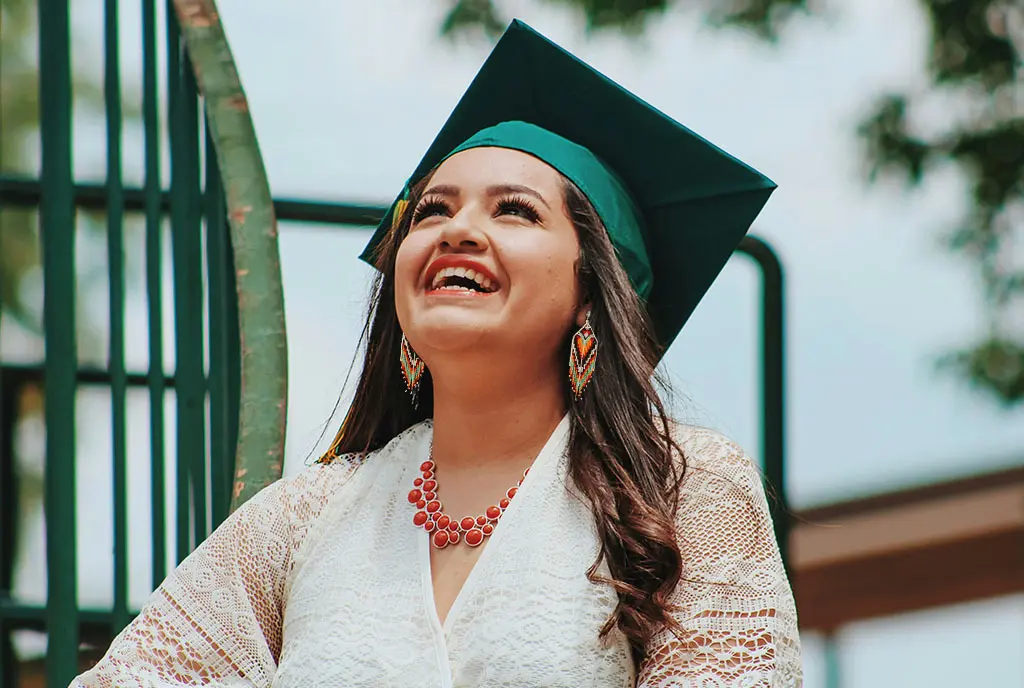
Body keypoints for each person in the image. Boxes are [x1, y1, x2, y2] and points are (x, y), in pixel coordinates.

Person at [72, 19, 801, 688]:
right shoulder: (306, 517)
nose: (458, 230)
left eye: (514, 210)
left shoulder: (683, 491)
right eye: (432, 210)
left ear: (592, 293)